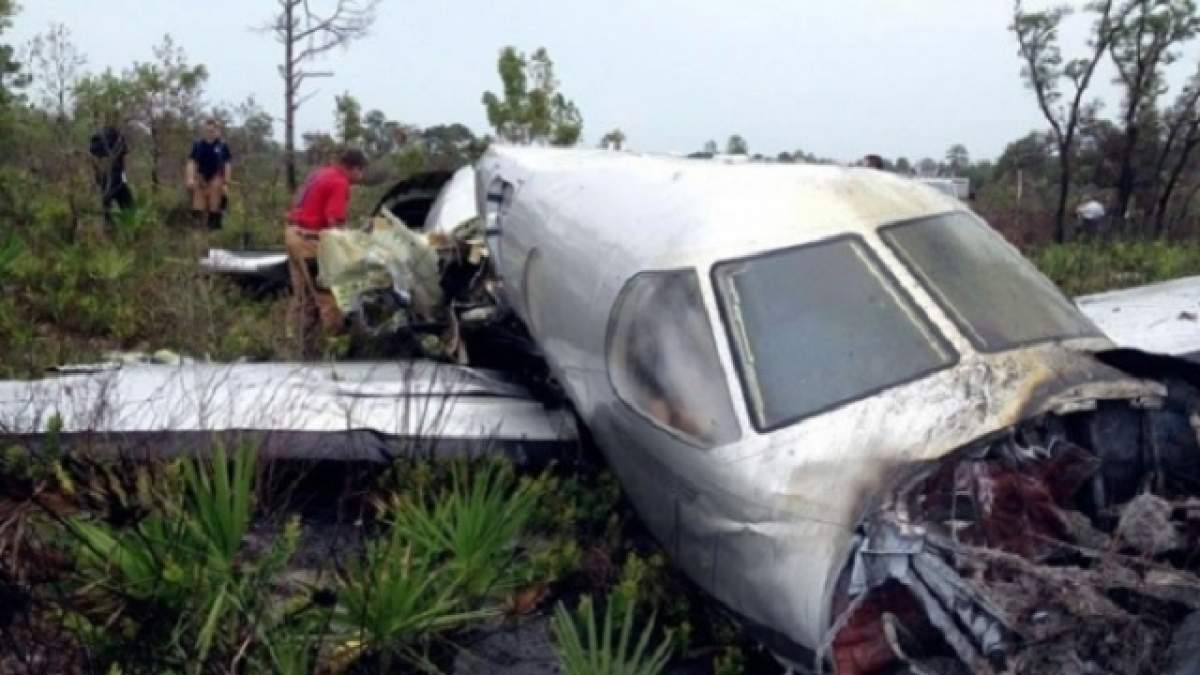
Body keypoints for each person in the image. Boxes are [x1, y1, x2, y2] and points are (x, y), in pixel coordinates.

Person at [285, 149, 369, 346]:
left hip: (293, 234)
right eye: (361, 172)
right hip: (310, 242)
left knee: (304, 296)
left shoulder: (319, 173)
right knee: (329, 296)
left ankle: (295, 343)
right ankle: (335, 345)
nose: (361, 177)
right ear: (355, 169)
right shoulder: (340, 183)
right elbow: (334, 222)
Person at [186, 118, 233, 230]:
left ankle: (214, 232)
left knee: (215, 205)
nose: (210, 133)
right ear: (204, 130)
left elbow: (227, 164)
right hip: (201, 177)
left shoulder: (222, 145)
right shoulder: (198, 145)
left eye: (212, 131)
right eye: (207, 130)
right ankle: (197, 233)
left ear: (217, 131)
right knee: (197, 206)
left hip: (216, 178)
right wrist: (190, 178)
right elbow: (192, 162)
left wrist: (226, 182)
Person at [88, 126, 135, 227]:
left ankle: (110, 226)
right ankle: (113, 228)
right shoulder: (116, 140)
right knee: (127, 207)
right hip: (115, 177)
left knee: (107, 205)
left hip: (108, 178)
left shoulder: (106, 140)